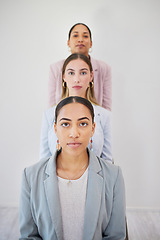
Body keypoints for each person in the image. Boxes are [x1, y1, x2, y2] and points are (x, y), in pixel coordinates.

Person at [19, 96, 126, 240]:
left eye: (83, 124)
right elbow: (28, 236)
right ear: (55, 129)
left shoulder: (114, 176)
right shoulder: (30, 176)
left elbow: (116, 236)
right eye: (65, 124)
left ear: (93, 128)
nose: (74, 133)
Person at [40, 53, 112, 162]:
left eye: (83, 73)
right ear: (63, 77)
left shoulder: (104, 115)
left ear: (91, 76)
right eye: (71, 73)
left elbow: (108, 162)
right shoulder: (49, 115)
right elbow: (43, 161)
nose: (76, 79)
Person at [48, 23, 112, 111]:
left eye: (85, 36)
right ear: (68, 42)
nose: (80, 40)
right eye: (75, 35)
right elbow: (51, 106)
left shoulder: (103, 68)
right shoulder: (55, 68)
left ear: (91, 43)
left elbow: (106, 107)